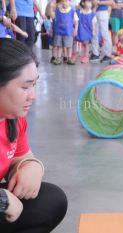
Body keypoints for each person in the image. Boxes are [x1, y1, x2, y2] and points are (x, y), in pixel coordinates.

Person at [0, 38, 68, 233]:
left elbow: (22, 158)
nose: (33, 95)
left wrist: (33, 166)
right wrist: (3, 200)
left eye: (34, 85)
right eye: (25, 87)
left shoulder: (13, 118)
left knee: (52, 200)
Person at [50, 0, 79, 65]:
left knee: (69, 46)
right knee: (59, 46)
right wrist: (51, 8)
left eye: (66, 1)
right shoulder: (57, 11)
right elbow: (52, 17)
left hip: (68, 32)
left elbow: (76, 21)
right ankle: (58, 58)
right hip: (59, 32)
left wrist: (76, 30)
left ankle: (69, 58)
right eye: (63, 1)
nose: (64, 3)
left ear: (69, 2)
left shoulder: (72, 11)